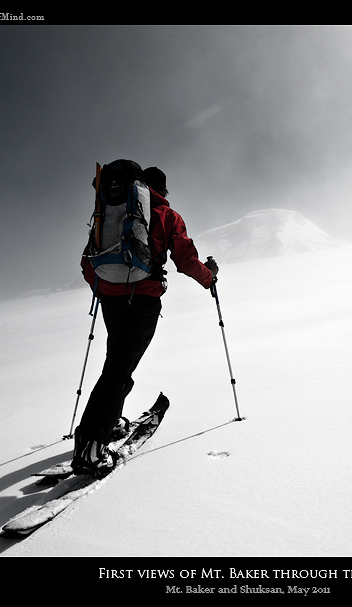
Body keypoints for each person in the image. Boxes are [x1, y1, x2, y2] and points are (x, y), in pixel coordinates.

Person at [72, 161, 219, 475]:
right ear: (161, 189)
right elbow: (186, 261)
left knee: (119, 361)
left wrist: (105, 290)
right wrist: (209, 279)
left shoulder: (109, 208)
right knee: (119, 366)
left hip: (111, 299)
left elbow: (87, 263)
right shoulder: (166, 215)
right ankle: (90, 445)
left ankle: (105, 426)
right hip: (143, 298)